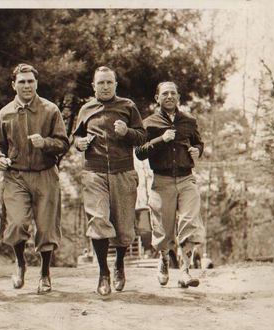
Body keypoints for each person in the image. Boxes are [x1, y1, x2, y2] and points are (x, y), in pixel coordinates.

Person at [0, 63, 69, 294]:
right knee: (16, 224)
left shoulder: (50, 109)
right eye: (22, 82)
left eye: (30, 81)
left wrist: (45, 143)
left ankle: (45, 273)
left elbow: (63, 143)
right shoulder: (5, 113)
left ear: (36, 83)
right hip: (16, 176)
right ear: (13, 85)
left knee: (46, 228)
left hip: (46, 174)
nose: (26, 85)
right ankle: (20, 263)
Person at [73, 66, 146, 296]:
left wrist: (127, 132)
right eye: (100, 83)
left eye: (109, 83)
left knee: (124, 228)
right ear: (93, 86)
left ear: (115, 85)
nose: (105, 87)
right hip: (94, 172)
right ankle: (103, 273)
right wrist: (79, 143)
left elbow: (143, 137)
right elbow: (75, 136)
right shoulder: (86, 109)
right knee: (98, 220)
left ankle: (119, 265)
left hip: (123, 171)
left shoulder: (128, 106)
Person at [135, 81, 205, 288]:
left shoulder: (189, 121)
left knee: (190, 222)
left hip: (186, 178)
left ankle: (185, 270)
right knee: (163, 230)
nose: (169, 97)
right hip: (162, 180)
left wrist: (197, 151)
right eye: (164, 94)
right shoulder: (149, 123)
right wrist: (161, 140)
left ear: (178, 97)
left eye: (173, 93)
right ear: (157, 98)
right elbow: (140, 153)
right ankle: (164, 260)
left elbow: (198, 142)